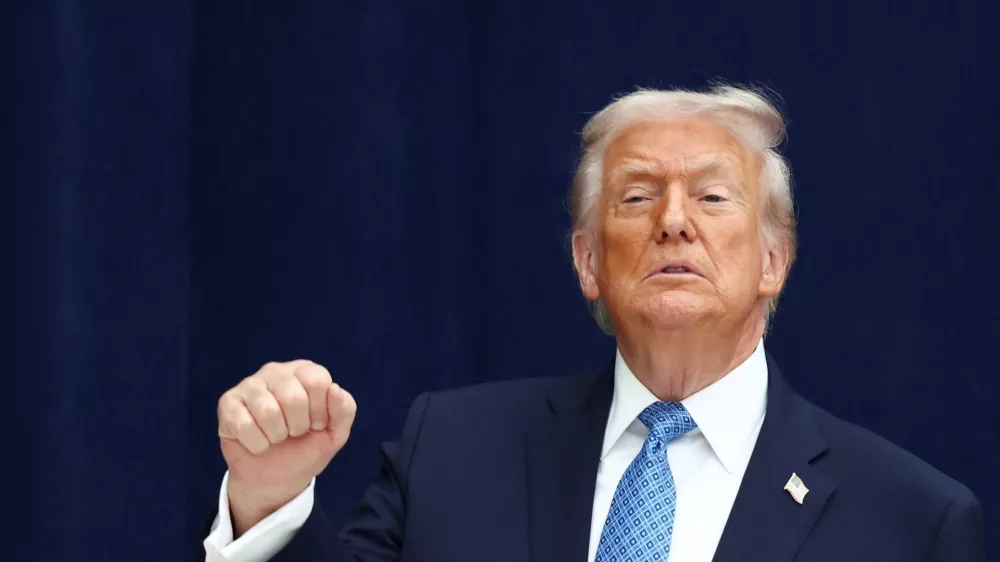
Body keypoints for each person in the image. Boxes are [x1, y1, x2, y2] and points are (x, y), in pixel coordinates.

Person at [202, 85, 985, 562]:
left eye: (712, 198)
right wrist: (268, 502)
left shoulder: (912, 520)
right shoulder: (451, 452)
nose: (673, 221)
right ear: (588, 262)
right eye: (637, 197)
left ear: (773, 261)